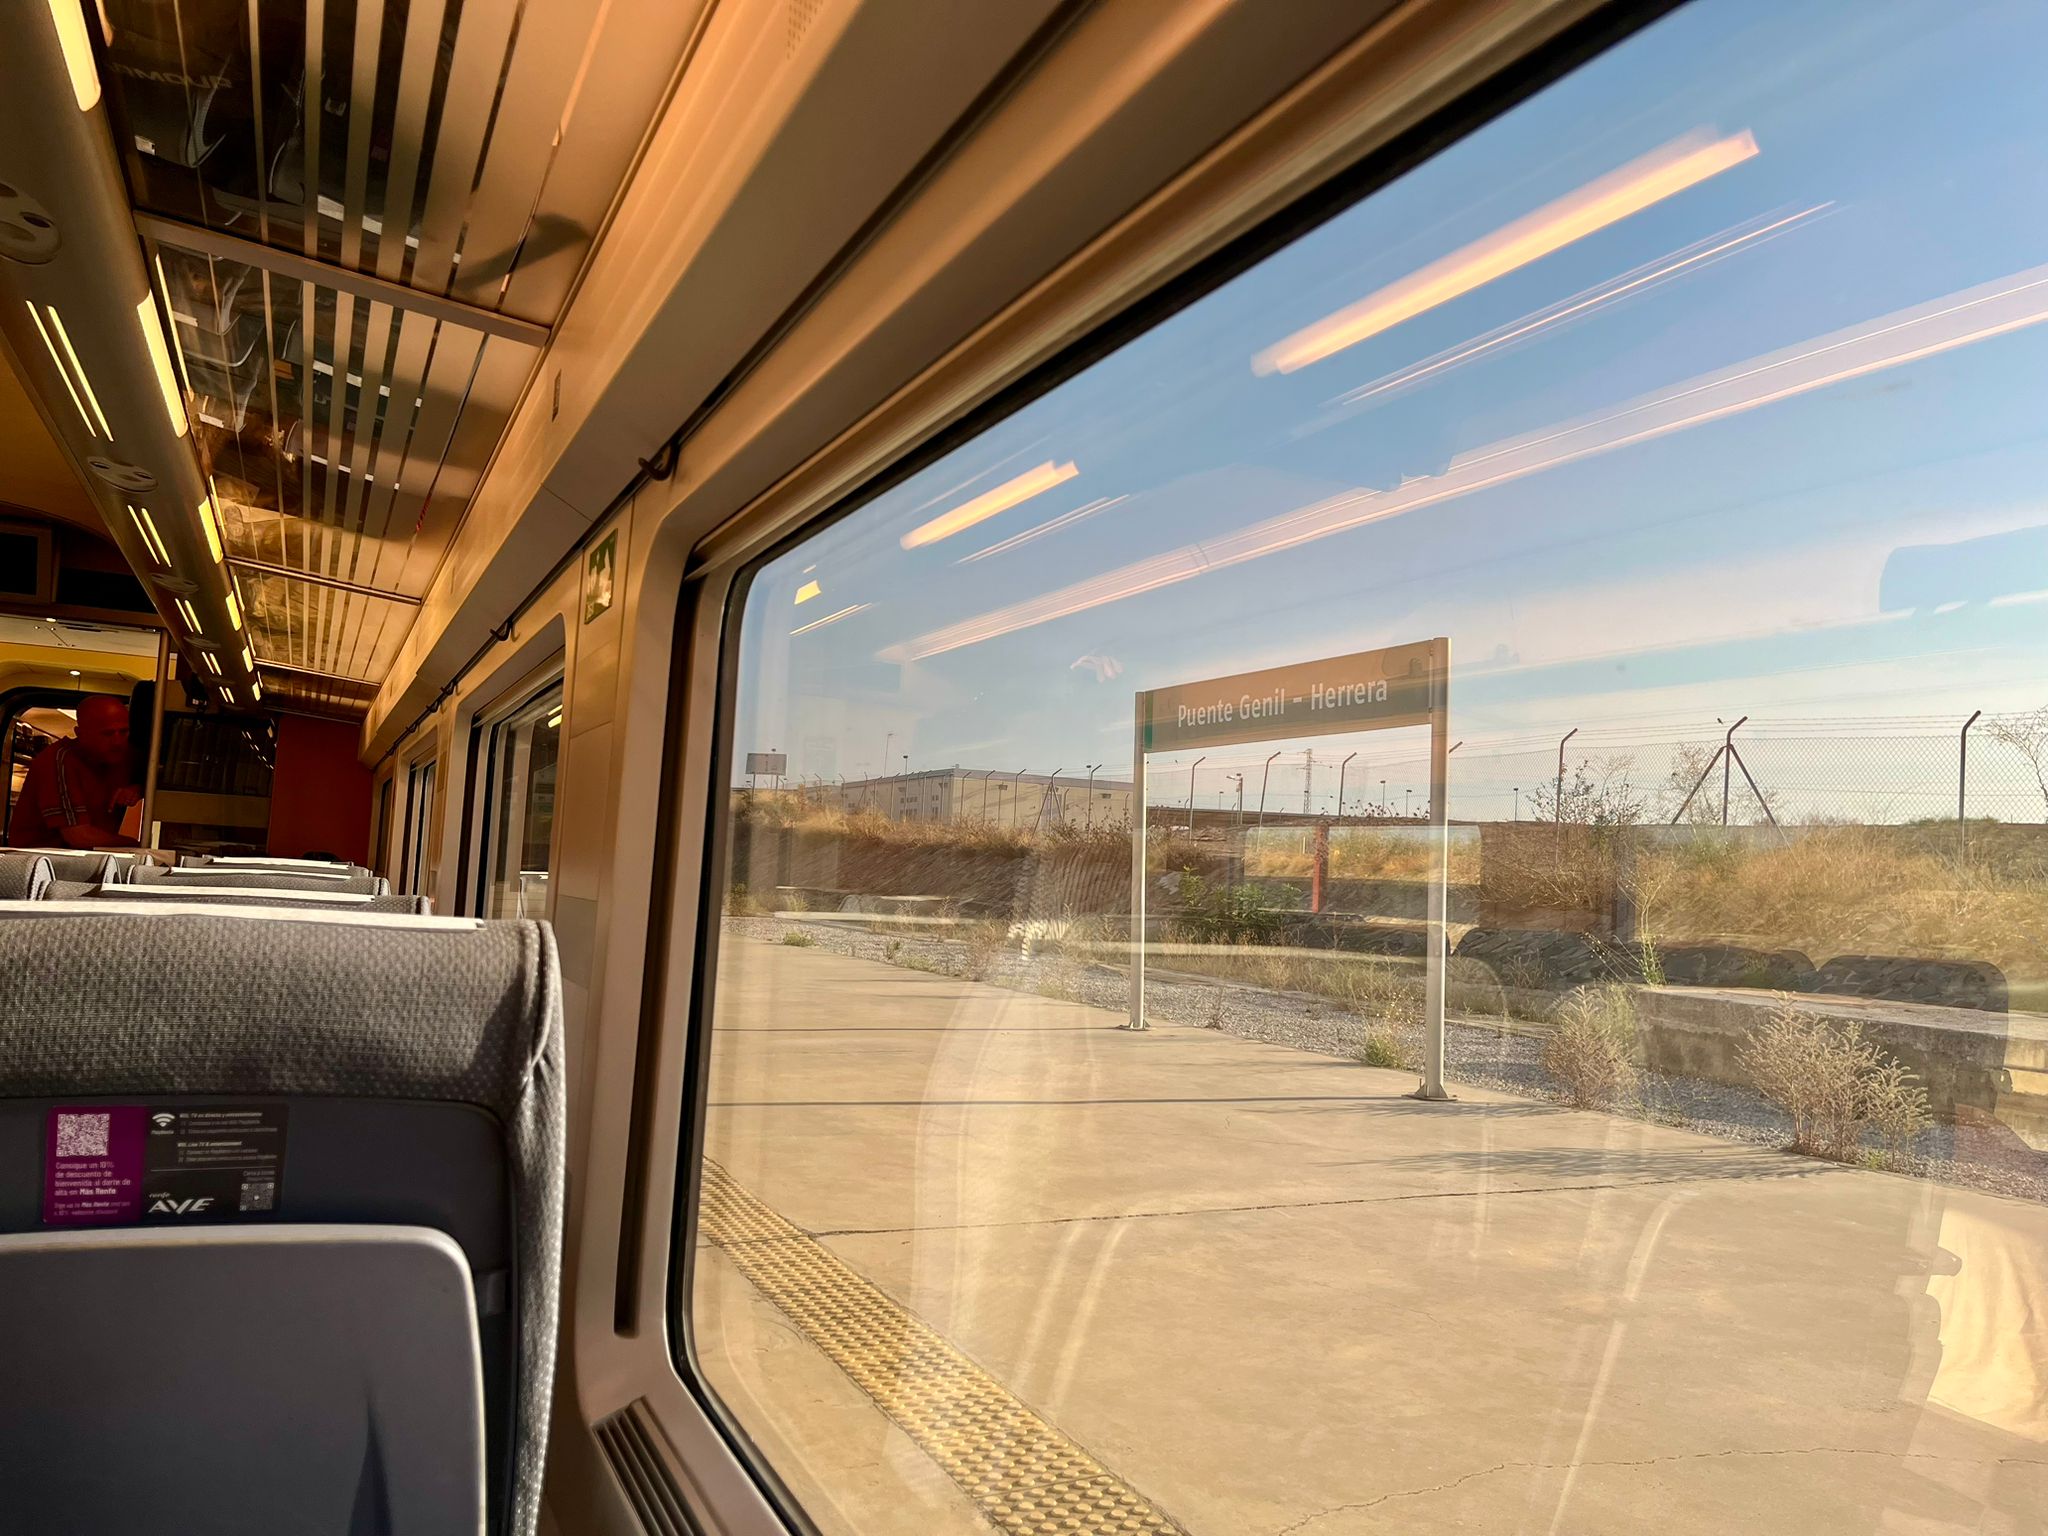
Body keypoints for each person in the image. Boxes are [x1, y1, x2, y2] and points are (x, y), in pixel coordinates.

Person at [5, 696, 142, 849]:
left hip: (87, 858)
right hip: (37, 859)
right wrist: (137, 847)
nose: (118, 741)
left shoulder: (128, 756)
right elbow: (78, 836)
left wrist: (138, 789)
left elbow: (154, 782)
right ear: (80, 733)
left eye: (124, 732)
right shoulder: (57, 760)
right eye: (107, 734)